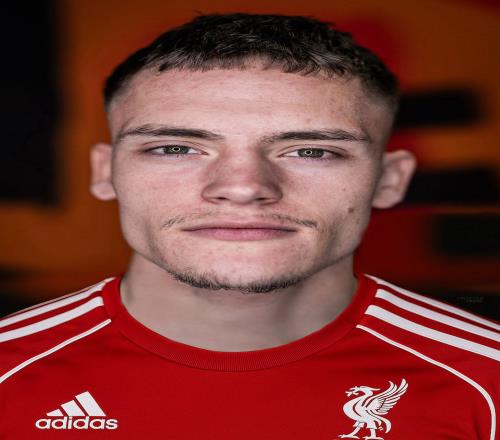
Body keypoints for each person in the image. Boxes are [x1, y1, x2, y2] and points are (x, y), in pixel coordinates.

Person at [1, 13, 498, 440]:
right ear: (105, 172)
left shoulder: (487, 380)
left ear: (390, 180)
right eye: (175, 148)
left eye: (311, 151)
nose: (242, 187)